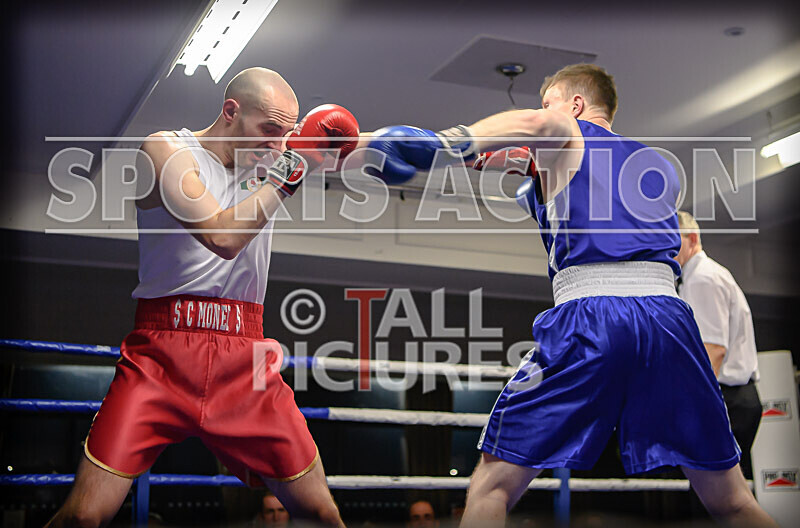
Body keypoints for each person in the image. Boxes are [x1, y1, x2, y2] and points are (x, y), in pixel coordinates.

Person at [365, 63, 776, 527]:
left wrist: (450, 142)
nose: (546, 113)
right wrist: (472, 156)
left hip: (594, 315)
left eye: (550, 101)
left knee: (491, 486)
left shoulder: (565, 128)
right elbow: (524, 154)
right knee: (731, 500)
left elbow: (542, 128)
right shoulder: (652, 163)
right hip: (671, 323)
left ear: (576, 105)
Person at [46, 67, 359, 528]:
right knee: (86, 515)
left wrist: (444, 148)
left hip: (247, 357)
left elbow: (362, 146)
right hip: (162, 355)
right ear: (231, 112)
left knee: (320, 512)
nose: (278, 146)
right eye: (269, 131)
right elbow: (223, 236)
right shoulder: (167, 151)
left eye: (287, 135)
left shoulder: (272, 157)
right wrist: (295, 167)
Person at [675, 210, 762, 479]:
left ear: (692, 238)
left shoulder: (702, 278)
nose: (664, 248)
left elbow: (714, 351)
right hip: (732, 398)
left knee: (720, 501)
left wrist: (696, 407)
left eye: (671, 239)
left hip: (728, 398)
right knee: (721, 498)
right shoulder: (694, 277)